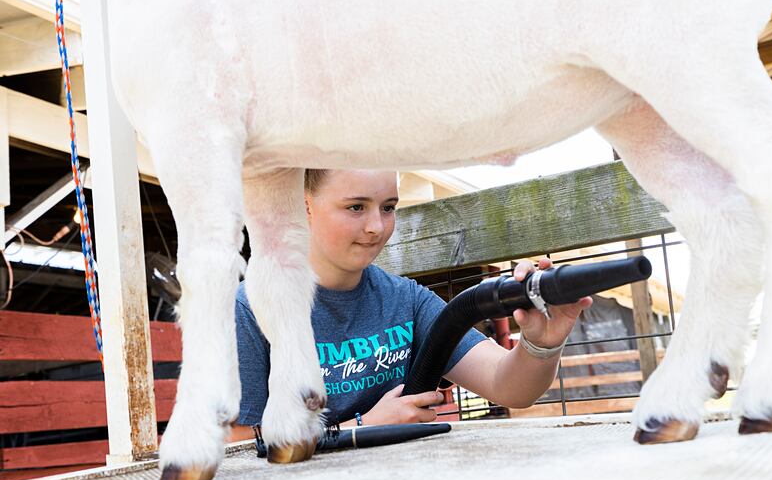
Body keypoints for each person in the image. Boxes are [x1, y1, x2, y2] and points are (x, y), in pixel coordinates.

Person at [234, 169, 592, 436]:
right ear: (303, 205)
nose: (377, 226)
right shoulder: (251, 307)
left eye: (388, 207)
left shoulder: (407, 299)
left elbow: (509, 386)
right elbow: (241, 447)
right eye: (356, 207)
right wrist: (364, 427)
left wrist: (542, 343)